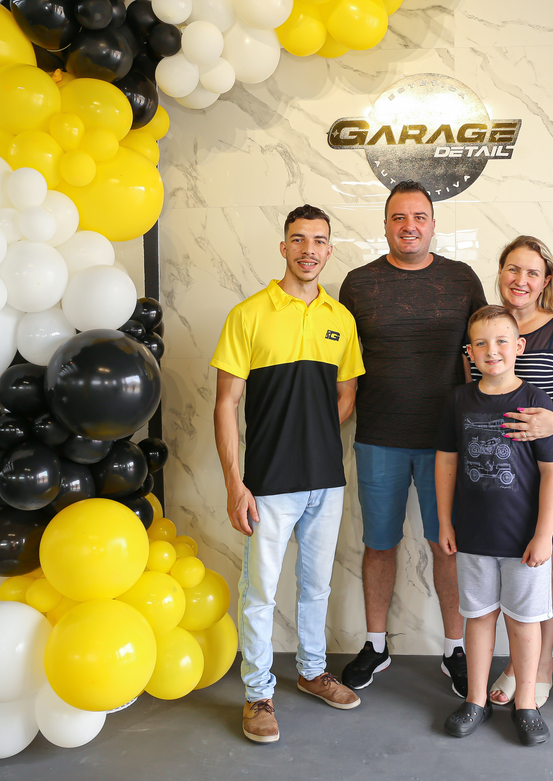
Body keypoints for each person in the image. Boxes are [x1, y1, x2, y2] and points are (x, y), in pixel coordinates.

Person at [211, 204, 366, 744]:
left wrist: (311, 435)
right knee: (259, 592)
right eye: (298, 239)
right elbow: (226, 404)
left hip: (326, 480)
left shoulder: (340, 319)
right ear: (283, 247)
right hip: (268, 483)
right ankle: (258, 693)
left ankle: (311, 671)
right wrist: (234, 483)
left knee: (316, 586)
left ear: (329, 250)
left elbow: (347, 394)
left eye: (318, 241)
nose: (308, 250)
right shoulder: (248, 314)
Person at [338, 180, 487, 696]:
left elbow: (483, 355)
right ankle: (376, 644)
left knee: (446, 545)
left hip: (447, 443)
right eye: (399, 217)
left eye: (419, 217)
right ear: (384, 225)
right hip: (378, 437)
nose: (409, 226)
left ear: (433, 224)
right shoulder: (358, 284)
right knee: (378, 544)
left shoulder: (461, 279)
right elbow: (342, 364)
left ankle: (454, 649)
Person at [469, 237, 553, 709]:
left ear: (546, 281)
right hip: (496, 478)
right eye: (512, 269)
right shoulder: (483, 329)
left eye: (532, 273)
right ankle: (517, 664)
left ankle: (540, 667)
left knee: (545, 564)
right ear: (500, 272)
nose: (520, 280)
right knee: (502, 571)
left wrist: (551, 423)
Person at [435, 305, 553, 746]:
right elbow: (446, 462)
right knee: (477, 616)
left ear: (519, 346)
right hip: (472, 537)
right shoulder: (458, 400)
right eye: (482, 343)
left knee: (524, 621)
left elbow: (552, 472)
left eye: (502, 341)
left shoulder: (536, 400)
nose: (493, 351)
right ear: (470, 352)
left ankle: (526, 703)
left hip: (523, 541)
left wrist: (544, 535)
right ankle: (475, 700)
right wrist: (445, 521)